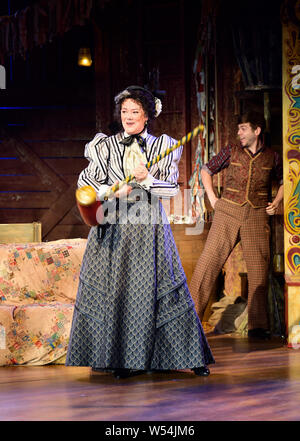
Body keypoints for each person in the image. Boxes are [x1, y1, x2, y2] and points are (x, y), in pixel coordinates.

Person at [66, 85, 214, 378]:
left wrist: (147, 179)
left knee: (163, 289)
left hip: (150, 229)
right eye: (124, 112)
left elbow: (171, 190)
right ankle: (123, 359)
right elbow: (87, 183)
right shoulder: (103, 146)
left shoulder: (162, 147)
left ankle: (191, 357)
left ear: (147, 116)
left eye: (135, 112)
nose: (129, 117)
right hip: (113, 227)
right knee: (118, 291)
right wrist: (109, 191)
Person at [189, 110, 283, 340]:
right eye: (238, 128)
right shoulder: (231, 151)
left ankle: (257, 327)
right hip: (228, 211)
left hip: (257, 214)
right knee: (208, 264)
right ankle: (189, 319)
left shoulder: (273, 157)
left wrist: (277, 202)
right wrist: (212, 197)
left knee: (259, 271)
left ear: (256, 130)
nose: (239, 132)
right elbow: (206, 169)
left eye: (243, 128)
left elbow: (285, 181)